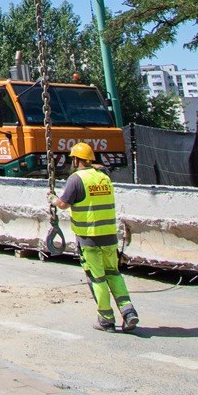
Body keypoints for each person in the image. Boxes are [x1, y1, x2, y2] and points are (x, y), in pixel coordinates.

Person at [55, 142, 139, 332]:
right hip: (109, 236)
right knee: (114, 274)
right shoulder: (103, 178)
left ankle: (106, 318)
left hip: (89, 238)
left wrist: (52, 199)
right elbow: (103, 171)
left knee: (97, 278)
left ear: (76, 159)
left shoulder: (76, 179)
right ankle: (128, 311)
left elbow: (62, 204)